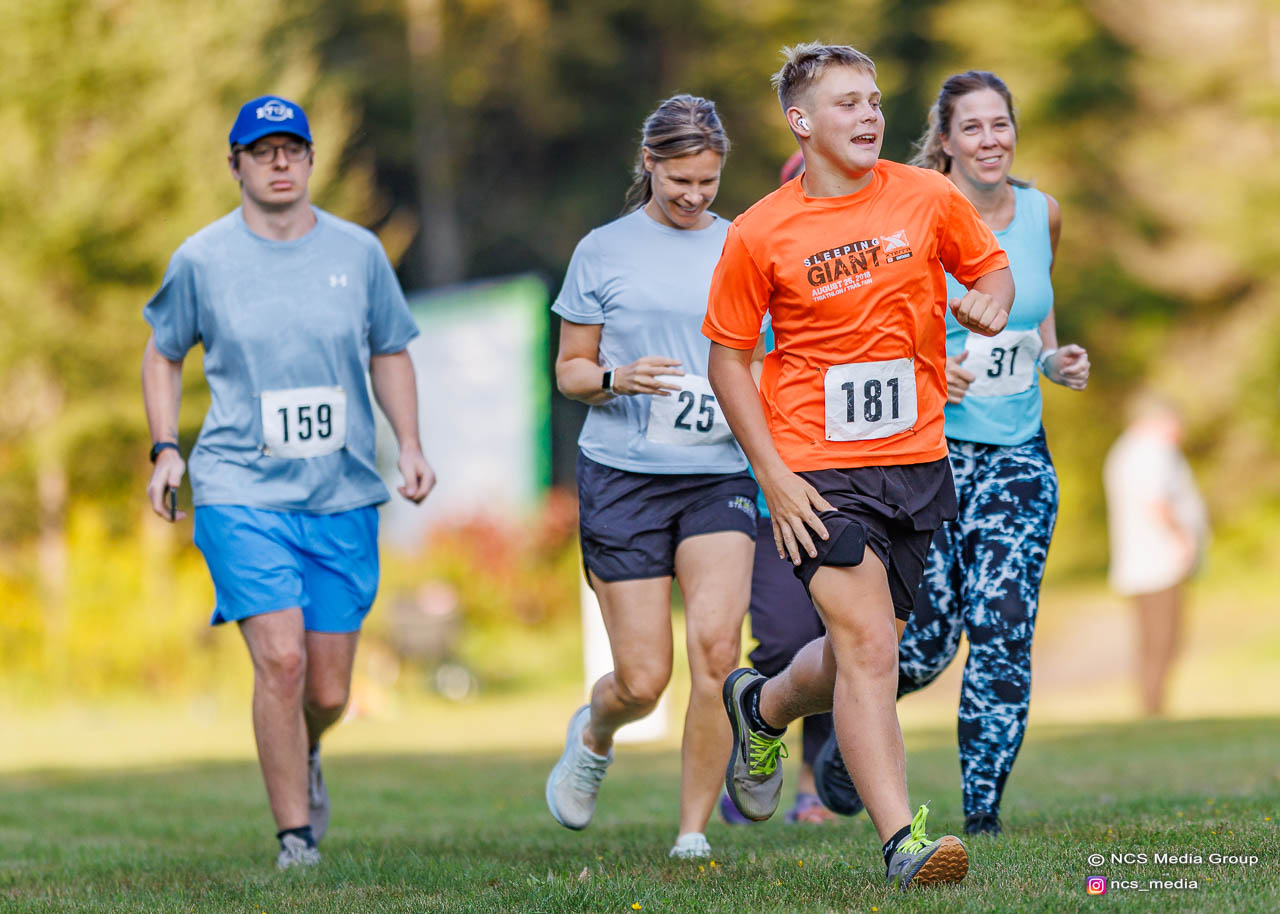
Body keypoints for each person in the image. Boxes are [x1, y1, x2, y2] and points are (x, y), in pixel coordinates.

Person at [704, 43, 1013, 889]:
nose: (869, 115)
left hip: (914, 461)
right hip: (814, 470)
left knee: (861, 652)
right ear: (800, 123)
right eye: (846, 103)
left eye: (873, 101)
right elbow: (727, 361)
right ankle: (903, 845)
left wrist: (991, 300)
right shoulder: (759, 231)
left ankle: (760, 704)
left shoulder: (928, 196)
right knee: (871, 643)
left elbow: (990, 265)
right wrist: (772, 476)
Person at [141, 96, 436, 869]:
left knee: (329, 691)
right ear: (234, 164)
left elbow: (390, 350)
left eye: (292, 148)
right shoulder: (203, 258)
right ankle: (295, 837)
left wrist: (409, 443)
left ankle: (304, 747)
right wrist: (165, 448)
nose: (279, 162)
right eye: (262, 150)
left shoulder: (358, 253)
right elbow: (163, 352)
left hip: (341, 494)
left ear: (310, 159)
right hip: (240, 489)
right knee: (280, 660)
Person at [810, 70, 1092, 837]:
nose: (990, 140)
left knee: (1004, 622)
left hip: (1017, 455)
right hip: (925, 456)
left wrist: (1053, 358)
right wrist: (930, 367)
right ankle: (849, 740)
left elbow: (1034, 306)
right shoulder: (911, 213)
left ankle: (984, 808)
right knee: (926, 643)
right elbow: (867, 324)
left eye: (1001, 124)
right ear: (945, 139)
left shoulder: (1042, 212)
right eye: (972, 127)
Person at [544, 94, 758, 860]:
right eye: (680, 181)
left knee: (717, 653)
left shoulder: (742, 244)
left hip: (717, 473)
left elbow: (768, 357)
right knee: (642, 680)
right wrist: (616, 378)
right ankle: (595, 733)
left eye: (708, 181)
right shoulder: (603, 250)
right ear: (650, 164)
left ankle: (691, 832)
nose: (695, 195)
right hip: (623, 478)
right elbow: (569, 371)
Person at [720, 147, 840, 828]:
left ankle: (812, 789)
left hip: (852, 489)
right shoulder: (757, 283)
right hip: (774, 500)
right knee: (783, 639)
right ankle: (754, 746)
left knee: (842, 637)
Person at [1104, 394, 1208, 716]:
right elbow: (1157, 501)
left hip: (1143, 562)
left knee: (1154, 638)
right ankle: (1153, 707)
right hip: (1158, 562)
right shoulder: (1150, 451)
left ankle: (1153, 704)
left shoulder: (1128, 449)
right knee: (1162, 638)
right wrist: (1183, 539)